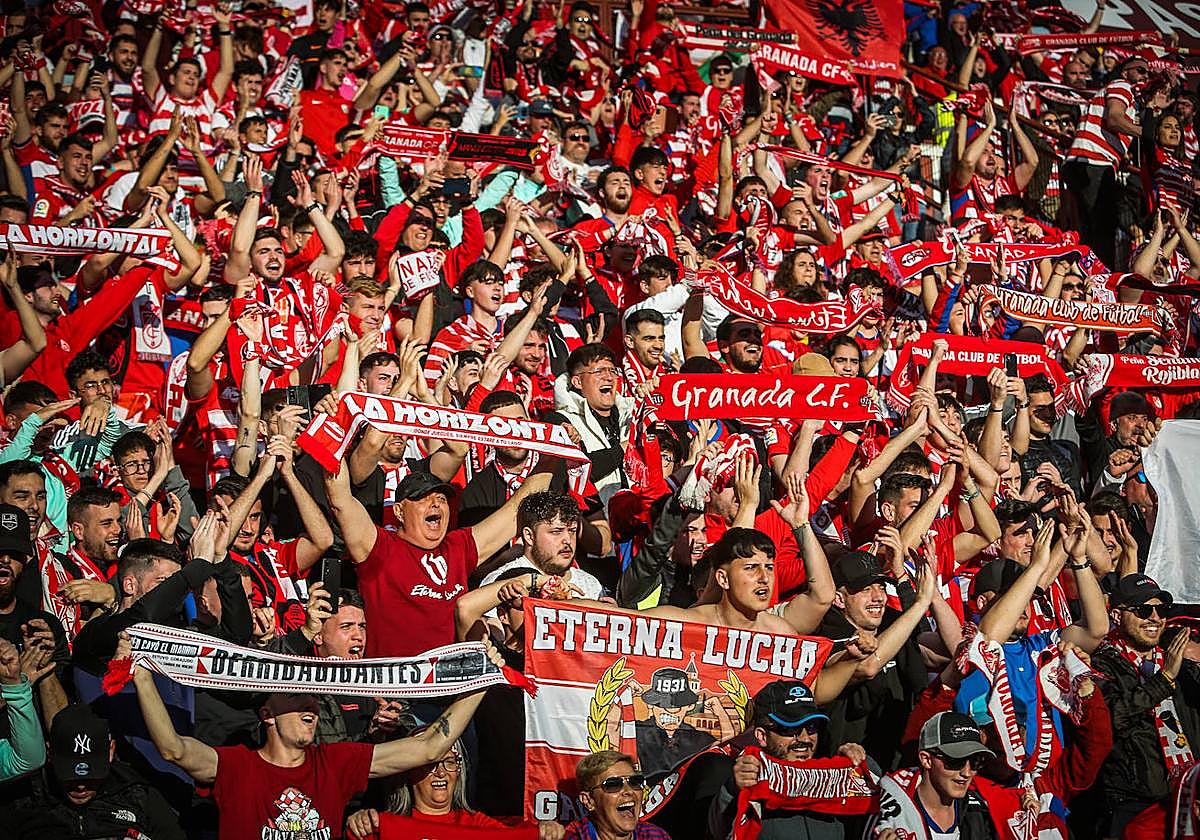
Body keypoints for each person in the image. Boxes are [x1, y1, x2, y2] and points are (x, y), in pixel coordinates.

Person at [127, 630, 504, 838]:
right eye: (297, 698)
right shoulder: (236, 765)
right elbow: (173, 749)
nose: (311, 707)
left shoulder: (335, 761)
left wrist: (483, 680)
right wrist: (142, 677)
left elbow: (430, 747)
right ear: (267, 715)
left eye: (313, 699)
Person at [710, 679, 868, 839]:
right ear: (762, 736)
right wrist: (733, 789)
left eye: (812, 726)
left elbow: (875, 811)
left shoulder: (835, 778)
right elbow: (718, 830)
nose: (805, 738)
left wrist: (859, 764)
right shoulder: (746, 777)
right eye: (791, 728)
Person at [12, 703, 183, 838]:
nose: (81, 787)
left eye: (91, 776)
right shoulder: (26, 799)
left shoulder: (138, 794)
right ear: (49, 753)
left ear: (110, 751)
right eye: (70, 776)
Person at [869, 712, 999, 839]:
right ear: (926, 760)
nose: (966, 772)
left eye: (975, 761)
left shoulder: (980, 813)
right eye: (955, 761)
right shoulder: (884, 810)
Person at [563, 750, 671, 840]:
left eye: (634, 782)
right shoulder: (572, 836)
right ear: (588, 800)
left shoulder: (655, 836)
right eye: (613, 785)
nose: (628, 791)